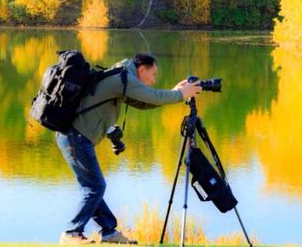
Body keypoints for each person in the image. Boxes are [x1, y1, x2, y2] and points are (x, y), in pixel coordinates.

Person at [56, 53, 202, 245]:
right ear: (142, 70)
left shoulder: (123, 77)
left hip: (75, 137)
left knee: (92, 187)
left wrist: (175, 91)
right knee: (96, 187)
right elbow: (153, 96)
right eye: (153, 74)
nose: (154, 79)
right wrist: (181, 94)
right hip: (76, 138)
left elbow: (145, 102)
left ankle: (108, 232)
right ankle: (71, 233)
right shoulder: (122, 78)